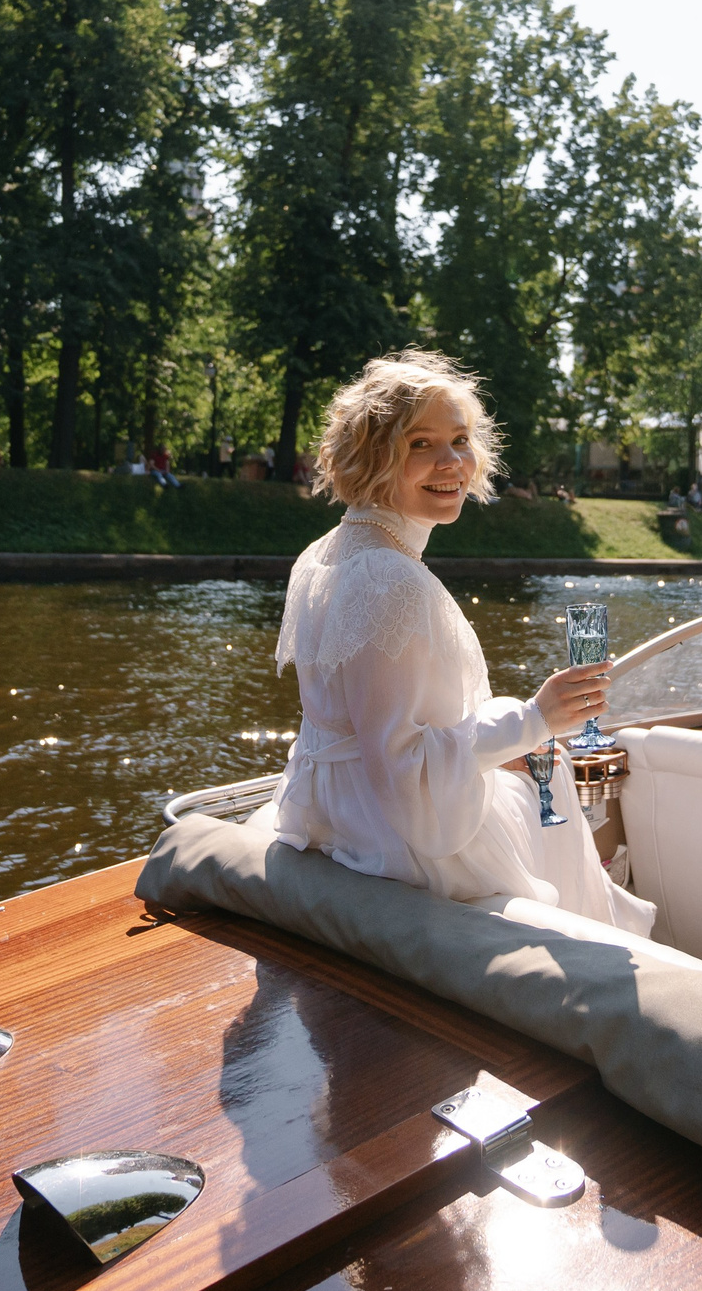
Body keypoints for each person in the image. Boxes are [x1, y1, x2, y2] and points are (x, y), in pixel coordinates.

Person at [260, 351, 653, 933]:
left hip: (330, 814)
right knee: (551, 773)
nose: (452, 463)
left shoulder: (320, 555)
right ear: (372, 457)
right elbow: (402, 771)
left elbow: (351, 732)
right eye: (419, 443)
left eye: (461, 440)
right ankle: (598, 959)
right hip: (390, 840)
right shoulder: (393, 581)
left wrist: (521, 731)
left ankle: (599, 923)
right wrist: (537, 717)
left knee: (538, 760)